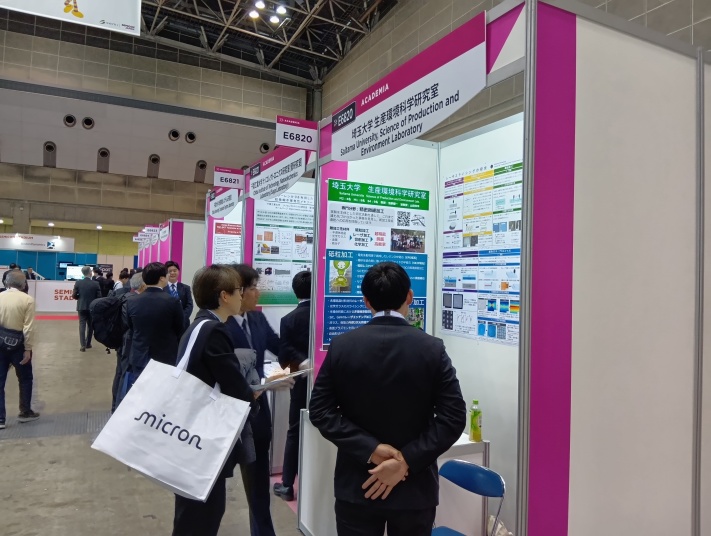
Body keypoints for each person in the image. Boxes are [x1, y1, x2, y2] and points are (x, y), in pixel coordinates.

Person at [309, 262, 466, 536]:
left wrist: (371, 449)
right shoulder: (432, 348)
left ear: (366, 301)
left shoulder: (342, 346)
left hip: (358, 484)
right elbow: (453, 417)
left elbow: (320, 411)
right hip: (414, 488)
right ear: (409, 296)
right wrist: (406, 461)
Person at [172, 264, 255, 536]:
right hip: (201, 439)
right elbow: (234, 385)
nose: (242, 296)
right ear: (224, 296)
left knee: (193, 515)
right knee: (201, 517)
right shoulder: (214, 330)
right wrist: (254, 393)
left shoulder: (199, 325)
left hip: (189, 434)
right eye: (239, 290)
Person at [225, 264, 280, 536]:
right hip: (226, 415)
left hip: (257, 416)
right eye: (253, 287)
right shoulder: (217, 324)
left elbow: (278, 346)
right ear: (238, 291)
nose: (258, 293)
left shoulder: (257, 319)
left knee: (258, 487)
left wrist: (302, 363)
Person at [273, 270, 312, 502]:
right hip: (329, 382)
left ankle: (288, 485)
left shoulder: (289, 319)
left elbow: (284, 355)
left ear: (295, 291)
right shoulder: (325, 315)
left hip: (301, 381)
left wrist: (302, 363)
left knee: (295, 431)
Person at [123, 262, 184, 374]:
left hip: (139, 356)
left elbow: (131, 327)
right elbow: (180, 329)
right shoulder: (173, 302)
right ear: (162, 278)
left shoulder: (132, 301)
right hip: (165, 358)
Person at [0, 271, 40, 428]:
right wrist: (28, 349)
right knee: (25, 378)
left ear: (6, 283)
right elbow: (28, 328)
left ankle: (0, 419)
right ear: (24, 284)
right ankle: (25, 411)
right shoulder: (28, 300)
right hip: (19, 346)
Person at [110, 273, 144, 412]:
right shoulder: (133, 300)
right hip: (128, 343)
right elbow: (129, 325)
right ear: (143, 285)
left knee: (120, 373)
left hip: (122, 342)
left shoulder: (124, 296)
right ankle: (118, 407)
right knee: (124, 374)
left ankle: (115, 405)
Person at [72, 266, 101, 352]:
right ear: (90, 273)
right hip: (92, 307)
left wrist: (79, 298)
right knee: (90, 326)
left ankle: (82, 345)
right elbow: (99, 297)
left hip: (81, 306)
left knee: (82, 325)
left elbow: (74, 295)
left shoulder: (78, 283)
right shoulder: (95, 284)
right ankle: (88, 343)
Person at [165, 261, 194, 329]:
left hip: (183, 324)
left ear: (178, 271)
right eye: (170, 271)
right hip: (167, 324)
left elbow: (189, 305)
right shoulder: (162, 288)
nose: (172, 273)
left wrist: (182, 318)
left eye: (175, 270)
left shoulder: (186, 288)